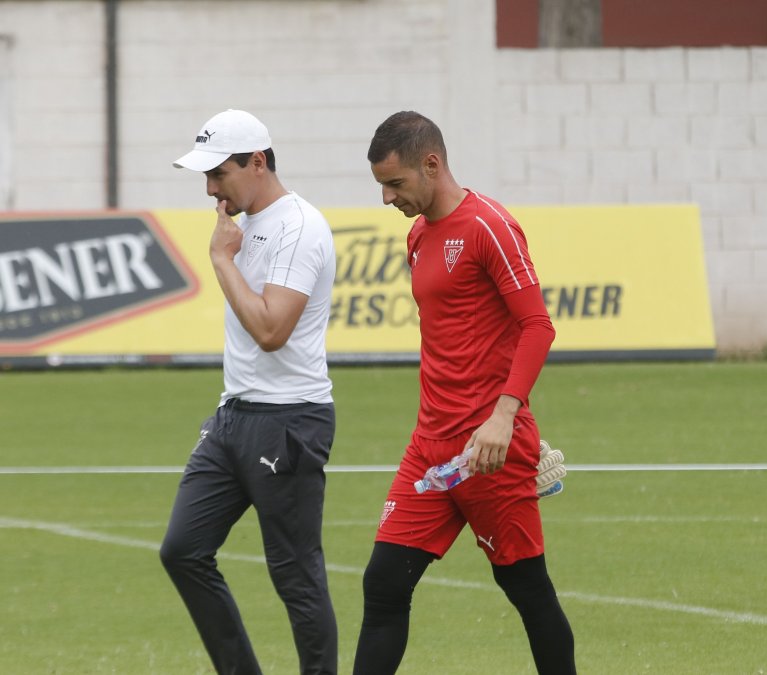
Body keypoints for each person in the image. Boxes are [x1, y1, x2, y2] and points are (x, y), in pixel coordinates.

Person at [352, 111, 575, 674]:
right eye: (381, 185)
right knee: (382, 584)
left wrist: (505, 418)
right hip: (430, 448)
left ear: (432, 164)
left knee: (526, 588)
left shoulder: (490, 226)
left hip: (489, 451)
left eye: (395, 184)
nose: (386, 198)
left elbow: (537, 326)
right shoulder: (418, 236)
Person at [160, 109, 338, 675]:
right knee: (183, 550)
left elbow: (270, 330)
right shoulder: (242, 226)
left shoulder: (299, 227)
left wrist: (220, 259)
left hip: (289, 422)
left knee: (295, 574)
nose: (211, 189)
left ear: (257, 163)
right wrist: (227, 253)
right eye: (205, 177)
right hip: (233, 417)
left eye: (219, 174)